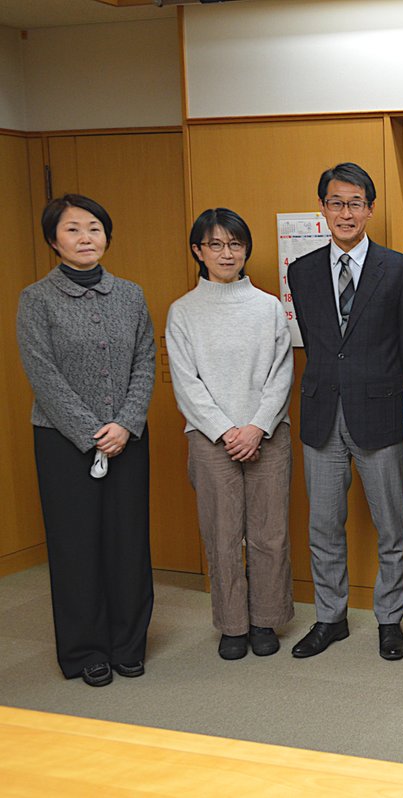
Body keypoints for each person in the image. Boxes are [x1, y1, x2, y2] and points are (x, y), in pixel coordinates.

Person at [287, 163, 403, 661]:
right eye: (335, 202)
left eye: (354, 203)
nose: (345, 213)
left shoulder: (399, 269)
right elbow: (318, 343)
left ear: (370, 209)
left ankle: (390, 619)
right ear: (322, 208)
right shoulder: (301, 271)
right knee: (323, 526)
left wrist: (383, 389)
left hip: (379, 414)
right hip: (321, 414)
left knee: (392, 525)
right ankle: (331, 618)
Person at [17, 194, 156, 687]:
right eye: (73, 230)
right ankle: (84, 650)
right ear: (54, 240)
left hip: (128, 437)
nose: (85, 239)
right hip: (62, 442)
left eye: (94, 228)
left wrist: (125, 423)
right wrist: (90, 434)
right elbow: (43, 375)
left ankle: (127, 643)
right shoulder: (36, 299)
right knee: (76, 546)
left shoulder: (131, 295)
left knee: (127, 542)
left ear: (107, 236)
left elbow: (146, 362)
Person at [166, 208, 295, 661]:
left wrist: (256, 427)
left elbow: (282, 373)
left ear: (246, 250)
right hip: (210, 439)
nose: (226, 253)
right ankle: (232, 624)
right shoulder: (183, 312)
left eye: (235, 244)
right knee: (222, 535)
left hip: (268, 435)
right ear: (198, 251)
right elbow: (186, 383)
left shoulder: (268, 307)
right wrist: (226, 431)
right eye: (215, 245)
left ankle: (266, 619)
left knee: (269, 534)